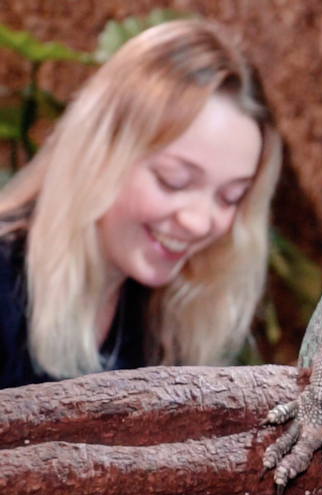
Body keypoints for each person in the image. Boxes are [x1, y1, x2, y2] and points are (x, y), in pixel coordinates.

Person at [0, 20, 282, 388]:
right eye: (173, 180)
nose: (199, 222)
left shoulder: (165, 315)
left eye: (231, 197)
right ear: (99, 153)